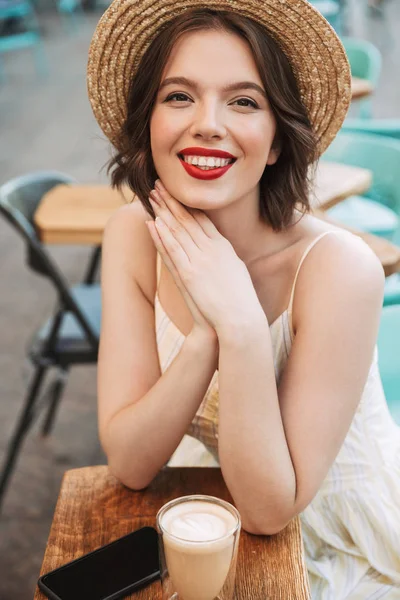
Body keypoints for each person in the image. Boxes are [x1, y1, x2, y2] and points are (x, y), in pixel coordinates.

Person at [87, 1, 400, 597]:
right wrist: (209, 330)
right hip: (211, 513)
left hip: (338, 535)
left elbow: (268, 512)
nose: (207, 123)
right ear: (147, 122)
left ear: (278, 142)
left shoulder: (339, 268)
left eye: (244, 101)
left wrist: (242, 323)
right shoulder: (131, 234)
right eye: (178, 96)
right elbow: (129, 462)